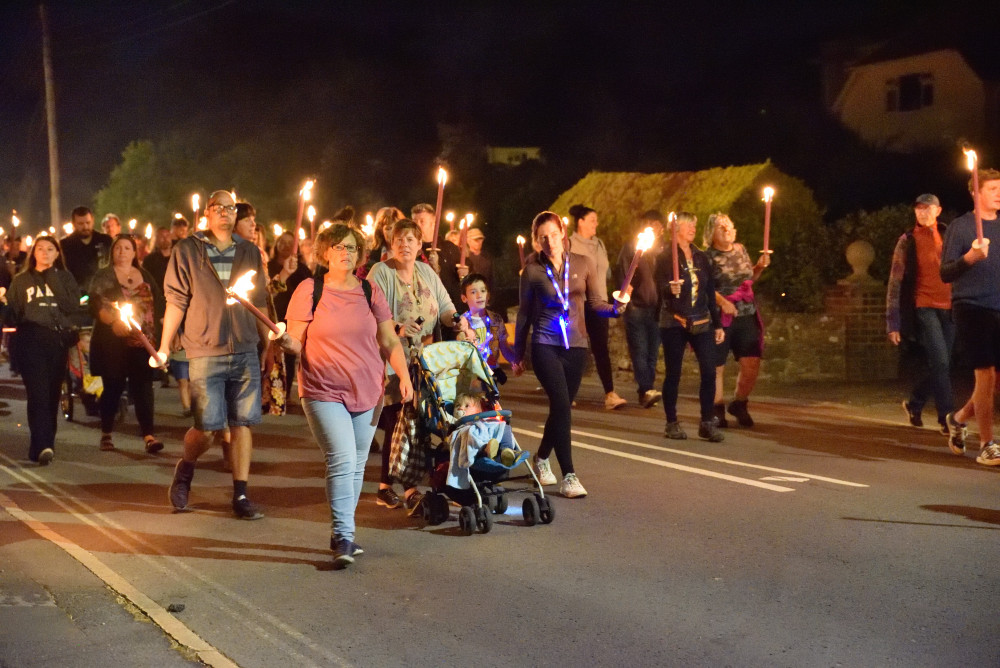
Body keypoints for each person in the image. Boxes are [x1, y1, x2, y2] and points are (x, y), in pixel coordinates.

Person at [277, 223, 411, 567]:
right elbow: (295, 340)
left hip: (369, 390)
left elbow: (389, 339)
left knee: (356, 464)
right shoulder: (310, 289)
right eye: (338, 247)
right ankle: (343, 536)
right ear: (325, 252)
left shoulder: (369, 290)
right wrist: (283, 340)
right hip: (322, 389)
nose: (345, 253)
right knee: (341, 458)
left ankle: (344, 533)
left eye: (351, 248)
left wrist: (404, 376)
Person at [157, 190, 271, 519]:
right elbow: (176, 301)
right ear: (207, 212)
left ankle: (240, 494)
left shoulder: (249, 251)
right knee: (207, 428)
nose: (225, 212)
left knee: (242, 423)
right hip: (205, 348)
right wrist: (165, 345)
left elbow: (259, 302)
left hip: (245, 346)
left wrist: (269, 345)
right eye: (218, 207)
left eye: (230, 208)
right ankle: (186, 469)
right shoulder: (188, 250)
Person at [511, 211, 625, 498]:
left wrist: (616, 308)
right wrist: (516, 354)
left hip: (576, 346)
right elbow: (524, 314)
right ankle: (570, 475)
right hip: (544, 344)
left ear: (562, 231)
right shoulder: (532, 270)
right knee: (562, 405)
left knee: (560, 409)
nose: (549, 241)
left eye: (553, 233)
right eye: (542, 237)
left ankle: (540, 458)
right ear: (537, 241)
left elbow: (596, 302)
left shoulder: (584, 263)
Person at [367, 218, 467, 514]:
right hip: (392, 359)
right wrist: (397, 326)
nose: (405, 244)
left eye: (411, 239)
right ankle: (408, 488)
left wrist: (457, 321)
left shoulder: (427, 272)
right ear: (391, 243)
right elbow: (372, 313)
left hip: (425, 361)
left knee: (415, 422)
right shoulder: (381, 272)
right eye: (399, 239)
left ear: (420, 244)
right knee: (401, 420)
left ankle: (387, 487)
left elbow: (447, 308)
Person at [940, 168, 1000, 465]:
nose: (999, 193)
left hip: (998, 306)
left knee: (993, 381)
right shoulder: (961, 228)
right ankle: (988, 443)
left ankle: (960, 418)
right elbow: (945, 272)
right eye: (992, 188)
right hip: (971, 306)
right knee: (985, 375)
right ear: (976, 193)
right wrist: (970, 258)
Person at [4, 235, 81, 464]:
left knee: (51, 395)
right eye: (40, 249)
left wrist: (54, 279)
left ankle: (44, 443)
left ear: (57, 254)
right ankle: (43, 444)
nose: (45, 253)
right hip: (31, 339)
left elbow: (72, 306)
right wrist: (3, 303)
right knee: (37, 394)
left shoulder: (65, 278)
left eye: (50, 249)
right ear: (33, 253)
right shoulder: (21, 280)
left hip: (56, 341)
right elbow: (13, 316)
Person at [88, 234, 165, 453]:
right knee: (113, 387)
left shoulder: (145, 275)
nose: (122, 252)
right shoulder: (104, 277)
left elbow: (158, 304)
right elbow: (94, 304)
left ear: (135, 252)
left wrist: (166, 331)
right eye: (118, 248)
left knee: (143, 388)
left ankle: (149, 435)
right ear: (112, 252)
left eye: (127, 248)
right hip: (113, 342)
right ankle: (106, 433)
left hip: (142, 341)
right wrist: (112, 321)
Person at [886, 194, 953, 435]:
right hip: (923, 305)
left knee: (941, 364)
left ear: (938, 210)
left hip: (950, 306)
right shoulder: (907, 240)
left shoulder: (949, 234)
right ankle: (947, 418)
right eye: (919, 209)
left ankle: (915, 404)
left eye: (928, 209)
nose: (923, 213)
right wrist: (893, 322)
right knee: (941, 362)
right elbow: (895, 282)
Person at [655, 212, 725, 442]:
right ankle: (671, 421)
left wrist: (717, 324)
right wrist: (669, 289)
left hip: (701, 318)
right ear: (675, 229)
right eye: (688, 224)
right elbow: (659, 287)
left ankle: (707, 421)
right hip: (674, 320)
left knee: (709, 369)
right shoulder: (665, 256)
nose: (693, 228)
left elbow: (708, 292)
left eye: (694, 224)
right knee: (673, 372)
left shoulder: (701, 257)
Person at [704, 213, 770, 428]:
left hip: (746, 313)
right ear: (712, 233)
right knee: (717, 365)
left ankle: (740, 403)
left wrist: (759, 267)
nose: (728, 231)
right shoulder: (707, 257)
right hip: (720, 316)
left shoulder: (741, 250)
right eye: (722, 228)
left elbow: (748, 281)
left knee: (751, 362)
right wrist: (722, 302)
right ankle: (716, 409)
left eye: (730, 226)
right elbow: (704, 287)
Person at [568, 204, 627, 410]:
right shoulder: (570, 244)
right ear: (581, 222)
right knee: (577, 349)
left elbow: (607, 272)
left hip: (599, 302)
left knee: (601, 348)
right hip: (579, 303)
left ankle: (610, 394)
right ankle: (567, 393)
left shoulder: (599, 243)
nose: (596, 224)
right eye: (592, 220)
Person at [235, 202, 286, 416]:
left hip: (258, 322)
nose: (253, 224)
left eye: (254, 220)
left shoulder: (257, 253)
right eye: (247, 219)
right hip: (237, 325)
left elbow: (263, 293)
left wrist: (284, 275)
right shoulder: (230, 253)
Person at [616, 210, 666, 409]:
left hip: (656, 308)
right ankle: (646, 388)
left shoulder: (662, 251)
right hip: (636, 306)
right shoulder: (632, 248)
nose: (657, 228)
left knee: (652, 351)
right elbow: (625, 274)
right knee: (640, 350)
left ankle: (646, 390)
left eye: (659, 225)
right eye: (652, 224)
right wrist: (626, 292)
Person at [456, 272, 515, 383]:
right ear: (464, 298)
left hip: (491, 376)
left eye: (483, 291)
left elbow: (504, 347)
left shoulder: (496, 320)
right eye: (473, 292)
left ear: (488, 295)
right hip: (469, 378)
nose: (479, 295)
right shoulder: (462, 323)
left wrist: (516, 361)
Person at [411, 202, 463, 310]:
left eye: (422, 222)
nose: (417, 225)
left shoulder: (449, 248)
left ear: (433, 223)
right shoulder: (412, 250)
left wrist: (464, 274)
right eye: (414, 221)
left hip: (452, 307)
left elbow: (463, 276)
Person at [61, 206, 113, 298]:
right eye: (80, 224)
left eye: (88, 223)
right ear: (74, 224)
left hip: (104, 294)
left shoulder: (105, 241)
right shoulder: (65, 245)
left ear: (93, 221)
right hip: (76, 295)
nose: (85, 227)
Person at [142, 226, 173, 292]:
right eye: (162, 236)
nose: (165, 238)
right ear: (156, 239)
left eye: (167, 235)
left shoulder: (178, 257)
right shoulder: (150, 260)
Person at [465, 226, 494, 290]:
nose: (479, 242)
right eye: (476, 240)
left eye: (481, 239)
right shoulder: (465, 258)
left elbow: (491, 278)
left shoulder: (487, 257)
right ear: (468, 241)